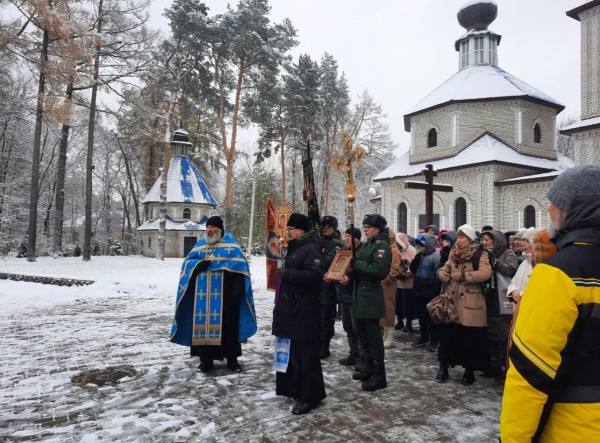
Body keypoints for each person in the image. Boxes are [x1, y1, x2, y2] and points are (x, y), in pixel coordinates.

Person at [500, 166, 600, 442]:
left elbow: (531, 371)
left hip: (577, 427)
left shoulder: (558, 274)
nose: (549, 212)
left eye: (553, 205)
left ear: (570, 210)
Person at [170, 216, 257, 374]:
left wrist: (237, 290)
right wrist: (198, 265)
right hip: (203, 296)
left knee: (229, 329)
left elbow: (239, 268)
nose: (209, 230)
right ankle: (206, 360)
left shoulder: (231, 246)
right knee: (203, 327)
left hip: (227, 297)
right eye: (208, 227)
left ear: (220, 229)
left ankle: (232, 360)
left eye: (213, 227)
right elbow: (187, 264)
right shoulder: (201, 245)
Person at [273, 213, 326, 415]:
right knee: (293, 353)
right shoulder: (296, 248)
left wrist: (287, 274)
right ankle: (294, 389)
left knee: (306, 355)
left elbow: (315, 276)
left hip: (304, 311)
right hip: (291, 310)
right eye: (288, 229)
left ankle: (311, 395)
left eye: (291, 229)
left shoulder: (311, 249)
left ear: (301, 230)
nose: (288, 232)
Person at [436, 224, 492, 385]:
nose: (459, 240)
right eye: (458, 237)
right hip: (452, 300)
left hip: (471, 302)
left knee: (470, 339)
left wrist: (462, 275)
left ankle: (469, 371)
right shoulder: (454, 252)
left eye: (462, 237)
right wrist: (442, 274)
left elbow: (485, 273)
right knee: (447, 336)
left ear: (470, 239)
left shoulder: (481, 253)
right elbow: (445, 268)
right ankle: (443, 366)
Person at [350, 214, 392, 391]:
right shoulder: (368, 244)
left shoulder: (381, 246)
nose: (365, 229)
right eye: (364, 226)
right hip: (360, 294)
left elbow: (379, 270)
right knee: (363, 335)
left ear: (378, 228)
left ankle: (379, 375)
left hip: (371, 295)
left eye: (368, 227)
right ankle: (367, 368)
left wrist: (356, 264)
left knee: (373, 337)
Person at [480, 229, 518, 378]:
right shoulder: (485, 253)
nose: (485, 243)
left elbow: (511, 269)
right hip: (489, 298)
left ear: (496, 241)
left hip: (501, 300)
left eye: (488, 240)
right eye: (483, 240)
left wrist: (494, 261)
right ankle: (494, 366)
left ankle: (505, 366)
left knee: (502, 336)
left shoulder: (508, 253)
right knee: (491, 335)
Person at [333, 227, 362, 366]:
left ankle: (362, 357)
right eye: (346, 236)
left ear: (357, 238)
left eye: (350, 236)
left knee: (358, 329)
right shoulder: (344, 251)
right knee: (348, 326)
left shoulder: (361, 252)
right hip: (344, 293)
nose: (347, 239)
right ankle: (353, 353)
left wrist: (350, 277)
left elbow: (359, 271)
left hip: (356, 294)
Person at [410, 233, 441, 349]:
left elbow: (438, 274)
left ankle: (434, 340)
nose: (420, 247)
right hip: (419, 289)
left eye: (422, 245)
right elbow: (413, 269)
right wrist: (416, 259)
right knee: (421, 316)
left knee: (431, 317)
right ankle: (424, 336)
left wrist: (435, 289)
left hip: (430, 291)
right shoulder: (420, 256)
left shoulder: (435, 256)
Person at [319, 215, 343, 359]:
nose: (325, 229)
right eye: (323, 226)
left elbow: (326, 262)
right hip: (318, 286)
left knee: (326, 318)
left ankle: (325, 346)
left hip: (329, 287)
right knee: (319, 317)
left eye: (329, 226)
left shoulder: (336, 244)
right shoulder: (321, 241)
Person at [380, 228, 401, 349]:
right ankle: (385, 333)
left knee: (389, 308)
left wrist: (386, 279)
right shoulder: (387, 249)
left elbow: (395, 269)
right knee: (383, 308)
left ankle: (390, 336)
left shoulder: (394, 250)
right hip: (383, 283)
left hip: (388, 283)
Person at [394, 232, 418, 333]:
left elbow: (413, 266)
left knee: (408, 305)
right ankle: (400, 321)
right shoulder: (397, 250)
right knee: (398, 304)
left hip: (409, 282)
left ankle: (408, 323)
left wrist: (407, 275)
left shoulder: (411, 250)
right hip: (398, 282)